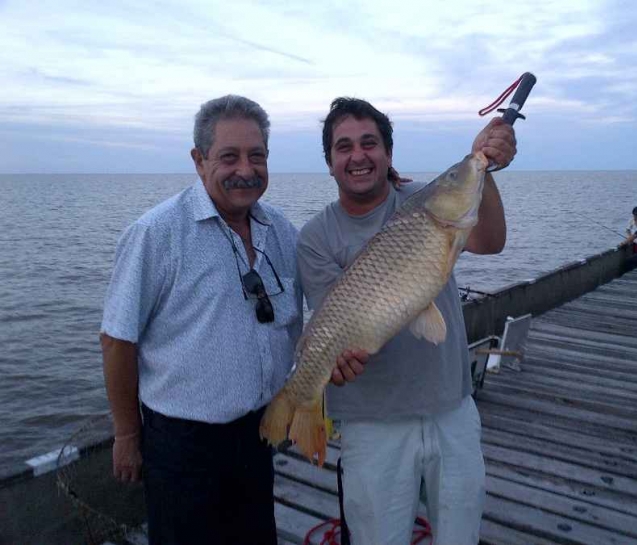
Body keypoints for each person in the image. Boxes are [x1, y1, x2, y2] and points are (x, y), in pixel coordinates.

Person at [296, 97, 516, 545]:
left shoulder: (424, 202)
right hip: (371, 424)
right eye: (344, 147)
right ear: (329, 161)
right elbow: (332, 325)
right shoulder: (315, 238)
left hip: (452, 409)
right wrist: (331, 365)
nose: (358, 155)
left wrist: (482, 168)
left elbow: (491, 241)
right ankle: (296, 402)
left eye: (369, 143)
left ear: (388, 153)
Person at [100, 95, 305, 545]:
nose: (245, 169)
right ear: (199, 160)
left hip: (258, 434)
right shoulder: (156, 233)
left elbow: (337, 281)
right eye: (229, 156)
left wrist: (391, 195)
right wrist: (127, 434)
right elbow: (117, 340)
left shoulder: (281, 231)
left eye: (257, 156)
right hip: (183, 445)